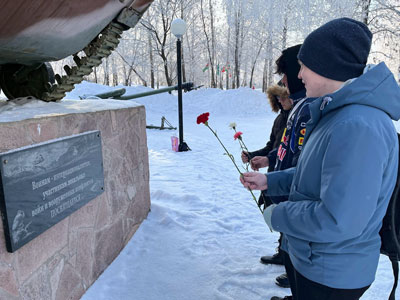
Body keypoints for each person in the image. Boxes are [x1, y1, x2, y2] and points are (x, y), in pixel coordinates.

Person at [240, 17, 400, 300]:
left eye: (303, 66)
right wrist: (270, 181)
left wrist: (278, 215)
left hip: (331, 272)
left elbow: (338, 219)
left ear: (327, 66)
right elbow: (313, 175)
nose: (298, 76)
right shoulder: (338, 115)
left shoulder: (357, 126)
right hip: (315, 258)